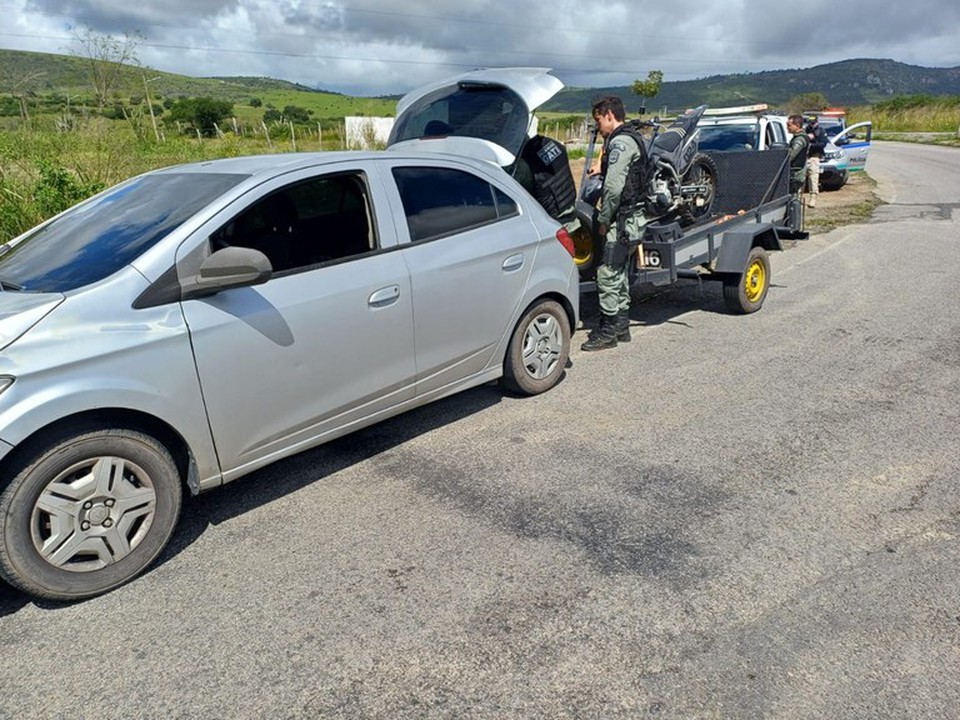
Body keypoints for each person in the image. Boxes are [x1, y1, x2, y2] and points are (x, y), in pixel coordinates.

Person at [581, 96, 647, 352]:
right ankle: (621, 327)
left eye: (598, 120)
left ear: (609, 115)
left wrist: (604, 219)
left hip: (622, 221)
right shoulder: (630, 138)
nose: (598, 127)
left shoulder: (620, 142)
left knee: (607, 273)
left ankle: (608, 331)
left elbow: (613, 189)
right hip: (633, 219)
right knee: (619, 272)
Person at [804, 115, 828, 208]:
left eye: (813, 122)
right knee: (800, 179)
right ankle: (797, 198)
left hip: (814, 157)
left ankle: (813, 198)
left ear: (817, 122)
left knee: (813, 179)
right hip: (804, 157)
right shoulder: (805, 130)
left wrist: (811, 144)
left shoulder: (821, 131)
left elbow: (823, 144)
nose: (812, 124)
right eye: (810, 122)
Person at [786, 114, 810, 199]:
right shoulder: (798, 138)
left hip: (796, 175)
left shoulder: (800, 139)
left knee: (793, 199)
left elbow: (791, 155)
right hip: (795, 173)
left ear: (797, 126)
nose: (787, 127)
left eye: (789, 125)